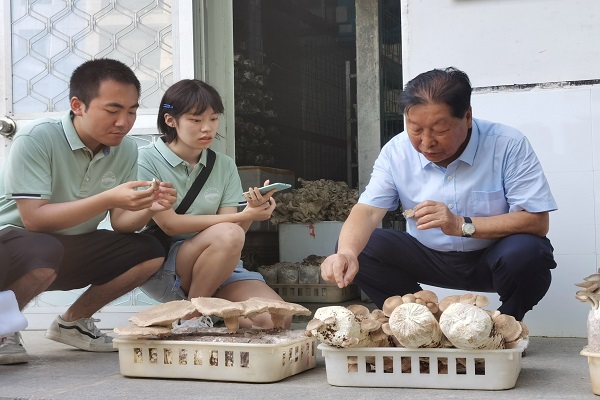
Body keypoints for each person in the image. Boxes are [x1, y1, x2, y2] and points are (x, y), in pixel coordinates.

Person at [320, 67, 557, 322]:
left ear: (467, 117)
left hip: (491, 257)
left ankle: (506, 325)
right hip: (428, 256)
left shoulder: (507, 144)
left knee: (528, 252)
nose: (426, 142)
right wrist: (346, 253)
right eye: (415, 129)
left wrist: (461, 224)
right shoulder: (396, 152)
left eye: (440, 130)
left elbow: (536, 221)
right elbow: (367, 212)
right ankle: (419, 322)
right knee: (359, 247)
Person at [0, 58, 177, 365]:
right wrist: (107, 198)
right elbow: (34, 219)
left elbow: (121, 224)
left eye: (132, 111)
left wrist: (148, 207)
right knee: (44, 247)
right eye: (113, 110)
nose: (124, 122)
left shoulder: (126, 149)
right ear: (77, 105)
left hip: (62, 250)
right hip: (13, 246)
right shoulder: (37, 137)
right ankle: (3, 328)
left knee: (148, 250)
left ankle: (73, 323)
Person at [137, 78, 289, 329]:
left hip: (221, 267)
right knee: (227, 232)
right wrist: (241, 217)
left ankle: (209, 311)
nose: (207, 128)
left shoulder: (224, 165)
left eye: (213, 118)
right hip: (169, 267)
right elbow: (170, 224)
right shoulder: (146, 159)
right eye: (196, 120)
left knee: (275, 320)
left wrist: (251, 212)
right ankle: (193, 315)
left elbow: (234, 236)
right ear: (170, 120)